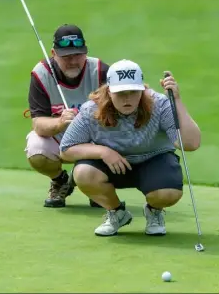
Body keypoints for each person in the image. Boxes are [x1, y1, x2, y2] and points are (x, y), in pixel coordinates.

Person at [59, 59, 201, 236]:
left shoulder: (159, 104)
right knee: (83, 173)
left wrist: (177, 101)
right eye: (121, 93)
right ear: (109, 91)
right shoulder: (91, 110)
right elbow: (66, 150)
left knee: (169, 193)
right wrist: (103, 152)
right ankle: (117, 213)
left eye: (133, 92)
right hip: (112, 164)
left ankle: (154, 211)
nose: (127, 99)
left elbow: (190, 143)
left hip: (153, 160)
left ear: (142, 89)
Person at [25, 24, 110, 208]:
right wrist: (61, 122)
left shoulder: (101, 72)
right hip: (60, 137)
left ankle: (95, 185)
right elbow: (38, 123)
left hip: (95, 138)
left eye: (78, 55)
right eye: (66, 56)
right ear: (53, 53)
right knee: (36, 149)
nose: (73, 61)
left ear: (85, 52)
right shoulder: (41, 74)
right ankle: (60, 180)